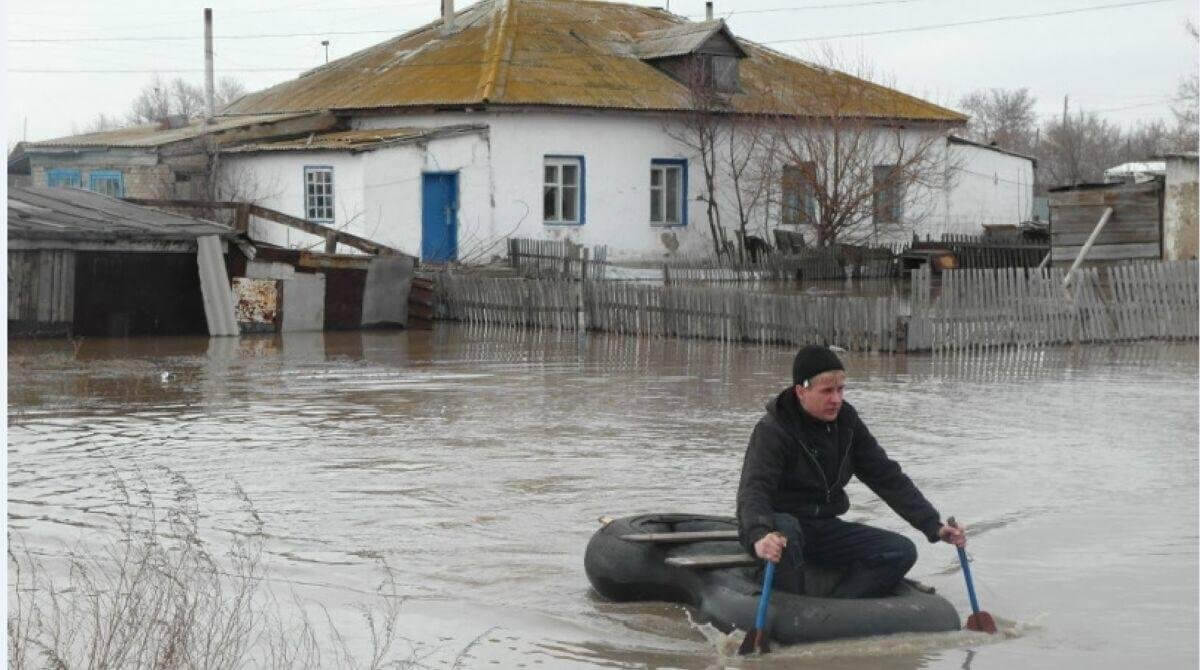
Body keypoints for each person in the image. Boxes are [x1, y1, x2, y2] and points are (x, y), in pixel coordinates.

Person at [736, 344, 966, 598]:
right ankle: (781, 594)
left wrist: (933, 525)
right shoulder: (773, 430)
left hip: (824, 527)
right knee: (786, 531)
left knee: (901, 551)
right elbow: (754, 489)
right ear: (801, 392)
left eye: (840, 389)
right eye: (827, 391)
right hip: (781, 527)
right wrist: (759, 535)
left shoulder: (847, 423)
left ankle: (839, 605)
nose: (836, 399)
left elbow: (886, 476)